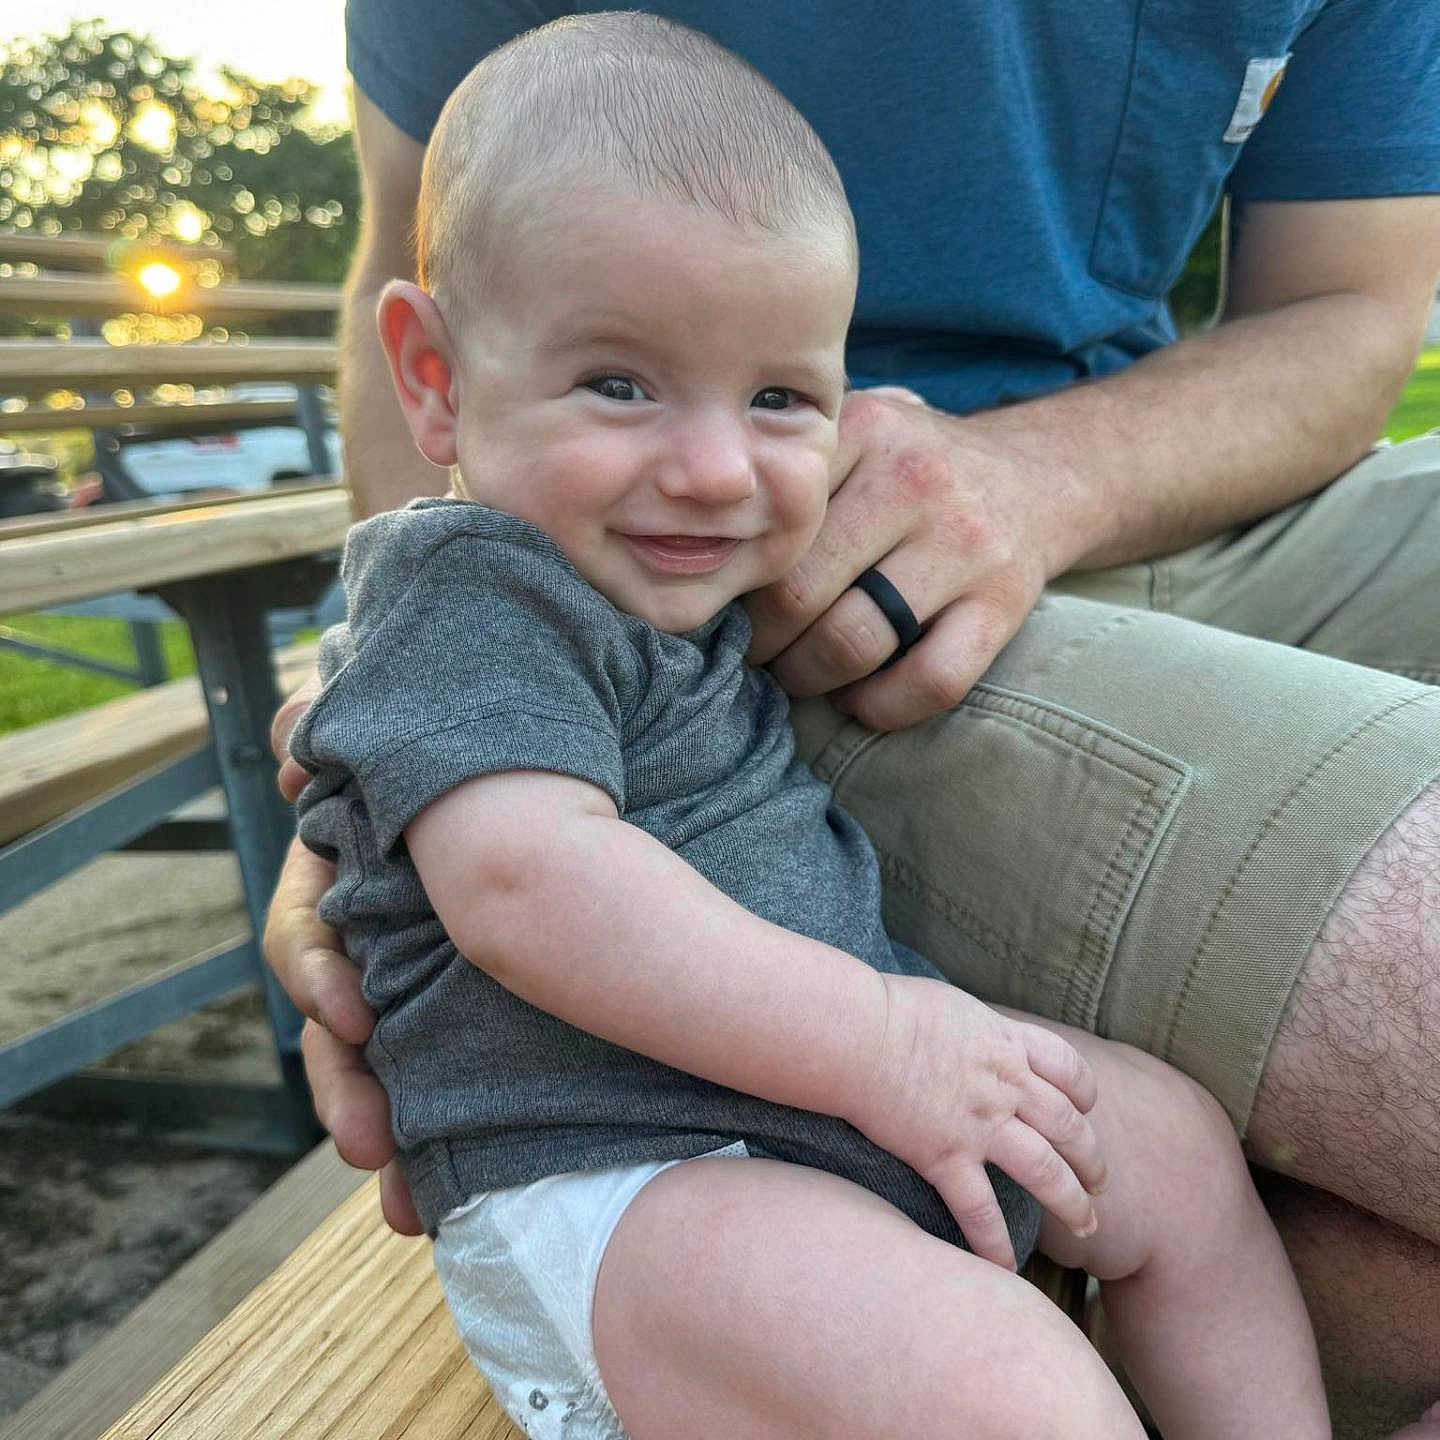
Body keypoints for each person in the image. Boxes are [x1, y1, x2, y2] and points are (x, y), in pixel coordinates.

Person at [265, 2, 1440, 1431]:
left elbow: (1353, 310)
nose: (715, 469)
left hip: (816, 1086)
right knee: (1010, 1384)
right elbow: (525, 886)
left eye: (779, 398)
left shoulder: (681, 579)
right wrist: (885, 1043)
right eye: (618, 384)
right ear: (435, 378)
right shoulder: (472, 590)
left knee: (1175, 1152)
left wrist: (894, 1052)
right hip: (620, 1162)